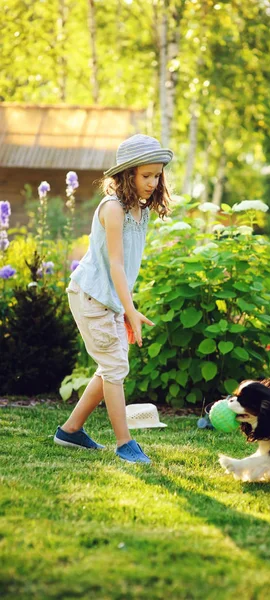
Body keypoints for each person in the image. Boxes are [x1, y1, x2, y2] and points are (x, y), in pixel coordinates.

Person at [54, 134, 173, 463]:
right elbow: (116, 265)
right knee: (115, 366)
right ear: (128, 175)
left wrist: (123, 308)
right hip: (91, 297)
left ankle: (71, 430)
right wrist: (130, 310)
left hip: (108, 299)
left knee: (111, 366)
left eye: (157, 175)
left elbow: (126, 268)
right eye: (146, 175)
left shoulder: (141, 211)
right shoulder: (113, 208)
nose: (152, 182)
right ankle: (124, 443)